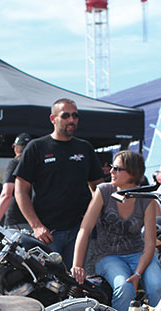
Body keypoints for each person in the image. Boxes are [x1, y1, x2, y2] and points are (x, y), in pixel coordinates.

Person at [71, 150, 161, 311]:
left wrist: (137, 273)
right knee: (124, 286)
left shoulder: (146, 198)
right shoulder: (104, 191)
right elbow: (85, 229)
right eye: (112, 167)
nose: (111, 171)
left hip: (138, 254)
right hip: (107, 255)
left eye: (117, 168)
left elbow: (150, 244)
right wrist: (77, 265)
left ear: (132, 172)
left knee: (157, 287)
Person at [14, 99, 103, 266]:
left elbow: (99, 189)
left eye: (75, 116)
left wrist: (94, 218)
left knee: (78, 283)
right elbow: (20, 191)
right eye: (66, 116)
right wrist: (36, 226)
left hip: (80, 231)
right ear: (53, 119)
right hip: (48, 233)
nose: (72, 120)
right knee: (48, 285)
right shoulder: (36, 147)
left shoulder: (85, 148)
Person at [0, 133, 31, 230]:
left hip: (16, 221)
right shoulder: (39, 165)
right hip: (36, 220)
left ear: (15, 147)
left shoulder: (14, 163)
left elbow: (6, 194)